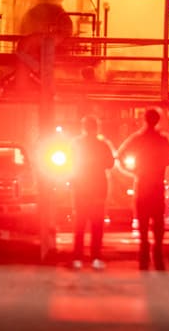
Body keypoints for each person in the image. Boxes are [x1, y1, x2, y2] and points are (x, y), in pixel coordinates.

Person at [117, 108, 169, 270]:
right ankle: (157, 255)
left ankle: (143, 256)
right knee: (158, 222)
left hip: (142, 184)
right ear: (158, 121)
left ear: (144, 119)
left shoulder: (137, 138)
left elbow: (119, 156)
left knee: (142, 222)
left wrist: (133, 172)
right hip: (157, 185)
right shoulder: (162, 140)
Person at [70, 115, 116, 270]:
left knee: (80, 225)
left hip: (81, 189)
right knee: (97, 226)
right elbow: (110, 164)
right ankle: (95, 258)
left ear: (84, 127)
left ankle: (77, 258)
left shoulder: (76, 144)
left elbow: (70, 164)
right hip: (98, 189)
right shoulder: (102, 145)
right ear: (97, 127)